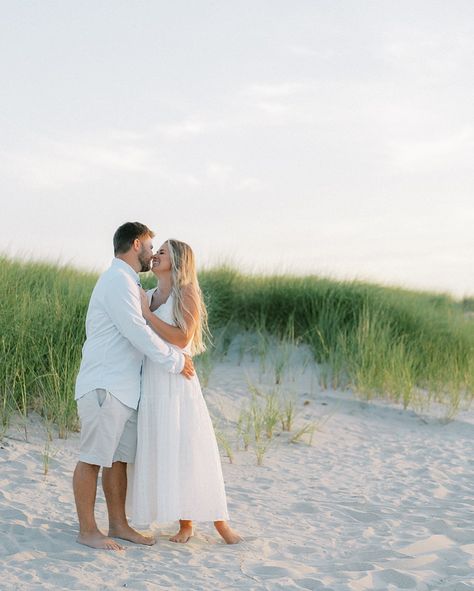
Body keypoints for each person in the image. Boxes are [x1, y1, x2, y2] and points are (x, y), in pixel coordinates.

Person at [73, 222, 195, 551]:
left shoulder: (130, 283)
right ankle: (88, 530)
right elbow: (136, 332)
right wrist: (176, 361)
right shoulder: (117, 281)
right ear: (136, 244)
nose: (153, 252)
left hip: (125, 390)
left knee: (118, 460)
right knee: (92, 458)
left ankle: (118, 525)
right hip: (104, 386)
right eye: (150, 245)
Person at [127, 239, 241, 544]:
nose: (155, 256)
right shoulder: (148, 295)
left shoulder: (185, 291)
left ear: (177, 261)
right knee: (166, 446)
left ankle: (220, 523)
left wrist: (147, 315)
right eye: (157, 251)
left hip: (179, 381)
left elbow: (182, 338)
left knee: (191, 447)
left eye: (162, 252)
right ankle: (185, 523)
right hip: (152, 380)